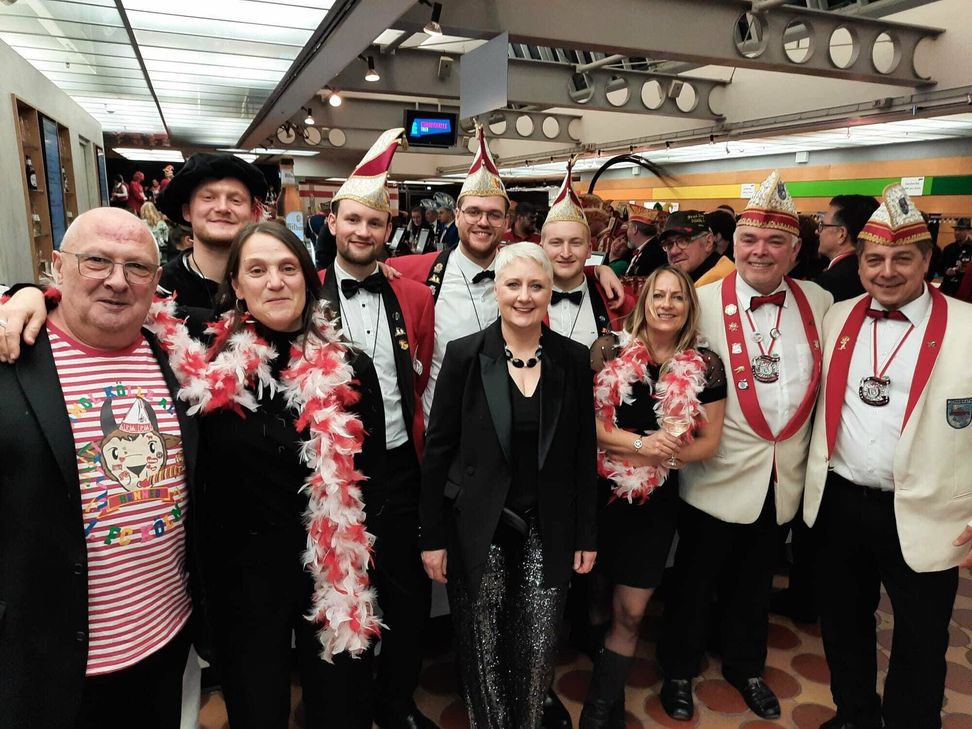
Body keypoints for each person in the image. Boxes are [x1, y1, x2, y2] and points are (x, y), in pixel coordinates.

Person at [152, 222, 385, 729]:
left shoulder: (352, 368)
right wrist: (25, 297)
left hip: (333, 570)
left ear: (307, 276)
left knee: (342, 708)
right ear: (236, 285)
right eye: (256, 270)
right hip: (243, 574)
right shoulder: (207, 362)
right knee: (256, 708)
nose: (274, 282)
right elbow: (126, 297)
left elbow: (376, 478)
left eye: (287, 268)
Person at [0, 207, 199, 729]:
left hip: (163, 640)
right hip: (47, 656)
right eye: (96, 261)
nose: (117, 280)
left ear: (157, 283)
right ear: (57, 267)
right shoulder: (12, 355)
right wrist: (20, 295)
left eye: (136, 267)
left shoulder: (176, 360)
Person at [656, 171, 832, 722]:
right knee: (694, 578)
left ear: (796, 249)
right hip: (714, 472)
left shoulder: (821, 301)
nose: (761, 251)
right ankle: (679, 669)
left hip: (784, 476)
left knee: (757, 582)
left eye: (776, 241)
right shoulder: (699, 303)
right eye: (750, 240)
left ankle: (744, 665)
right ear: (732, 245)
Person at [803, 184, 972, 729]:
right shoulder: (838, 317)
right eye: (875, 258)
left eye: (904, 258)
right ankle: (853, 715)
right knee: (843, 624)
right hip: (841, 501)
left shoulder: (969, 328)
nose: (887, 271)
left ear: (927, 259)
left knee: (922, 636)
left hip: (928, 508)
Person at [420, 242, 598, 729]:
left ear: (549, 291)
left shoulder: (573, 359)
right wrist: (432, 537)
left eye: (536, 286)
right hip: (478, 526)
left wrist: (586, 535)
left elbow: (584, 453)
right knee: (482, 653)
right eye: (513, 284)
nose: (524, 296)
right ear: (495, 288)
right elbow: (438, 453)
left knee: (538, 649)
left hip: (549, 525)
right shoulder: (464, 355)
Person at [319, 129, 438, 729]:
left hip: (397, 467)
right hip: (330, 479)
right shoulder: (305, 294)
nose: (364, 232)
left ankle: (397, 702)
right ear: (333, 222)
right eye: (354, 221)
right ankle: (349, 702)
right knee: (343, 592)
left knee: (407, 595)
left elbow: (418, 372)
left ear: (388, 231)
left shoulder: (415, 297)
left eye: (375, 224)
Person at [579, 265, 727, 728]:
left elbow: (710, 442)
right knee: (595, 599)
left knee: (633, 609)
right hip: (598, 496)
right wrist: (643, 446)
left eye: (677, 297)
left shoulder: (706, 365)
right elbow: (588, 428)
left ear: (688, 307)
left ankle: (602, 705)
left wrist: (667, 460)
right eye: (658, 295)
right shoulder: (608, 349)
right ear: (643, 302)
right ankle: (605, 677)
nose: (666, 304)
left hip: (654, 504)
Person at [156, 153, 267, 308]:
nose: (222, 208)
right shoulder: (157, 291)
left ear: (252, 213)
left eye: (235, 200)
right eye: (208, 197)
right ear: (187, 211)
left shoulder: (271, 287)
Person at [541, 162, 634, 348]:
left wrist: (600, 270)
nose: (566, 253)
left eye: (575, 243)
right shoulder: (521, 297)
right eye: (556, 242)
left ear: (590, 249)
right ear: (541, 247)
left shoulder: (618, 300)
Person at [813, 194, 880, 302]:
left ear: (841, 234)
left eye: (822, 225)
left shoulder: (827, 284)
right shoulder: (874, 275)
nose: (817, 231)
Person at [661, 210, 735, 286]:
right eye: (669, 244)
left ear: (708, 242)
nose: (674, 251)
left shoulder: (723, 283)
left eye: (683, 241)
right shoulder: (686, 280)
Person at [623, 204, 666, 276]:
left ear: (635, 229)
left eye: (628, 228)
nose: (627, 232)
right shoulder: (647, 249)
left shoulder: (654, 256)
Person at [940, 216, 972, 295]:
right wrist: (946, 271)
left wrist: (960, 271)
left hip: (964, 291)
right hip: (947, 289)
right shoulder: (948, 248)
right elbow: (940, 267)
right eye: (956, 230)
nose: (957, 232)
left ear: (968, 231)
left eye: (960, 230)